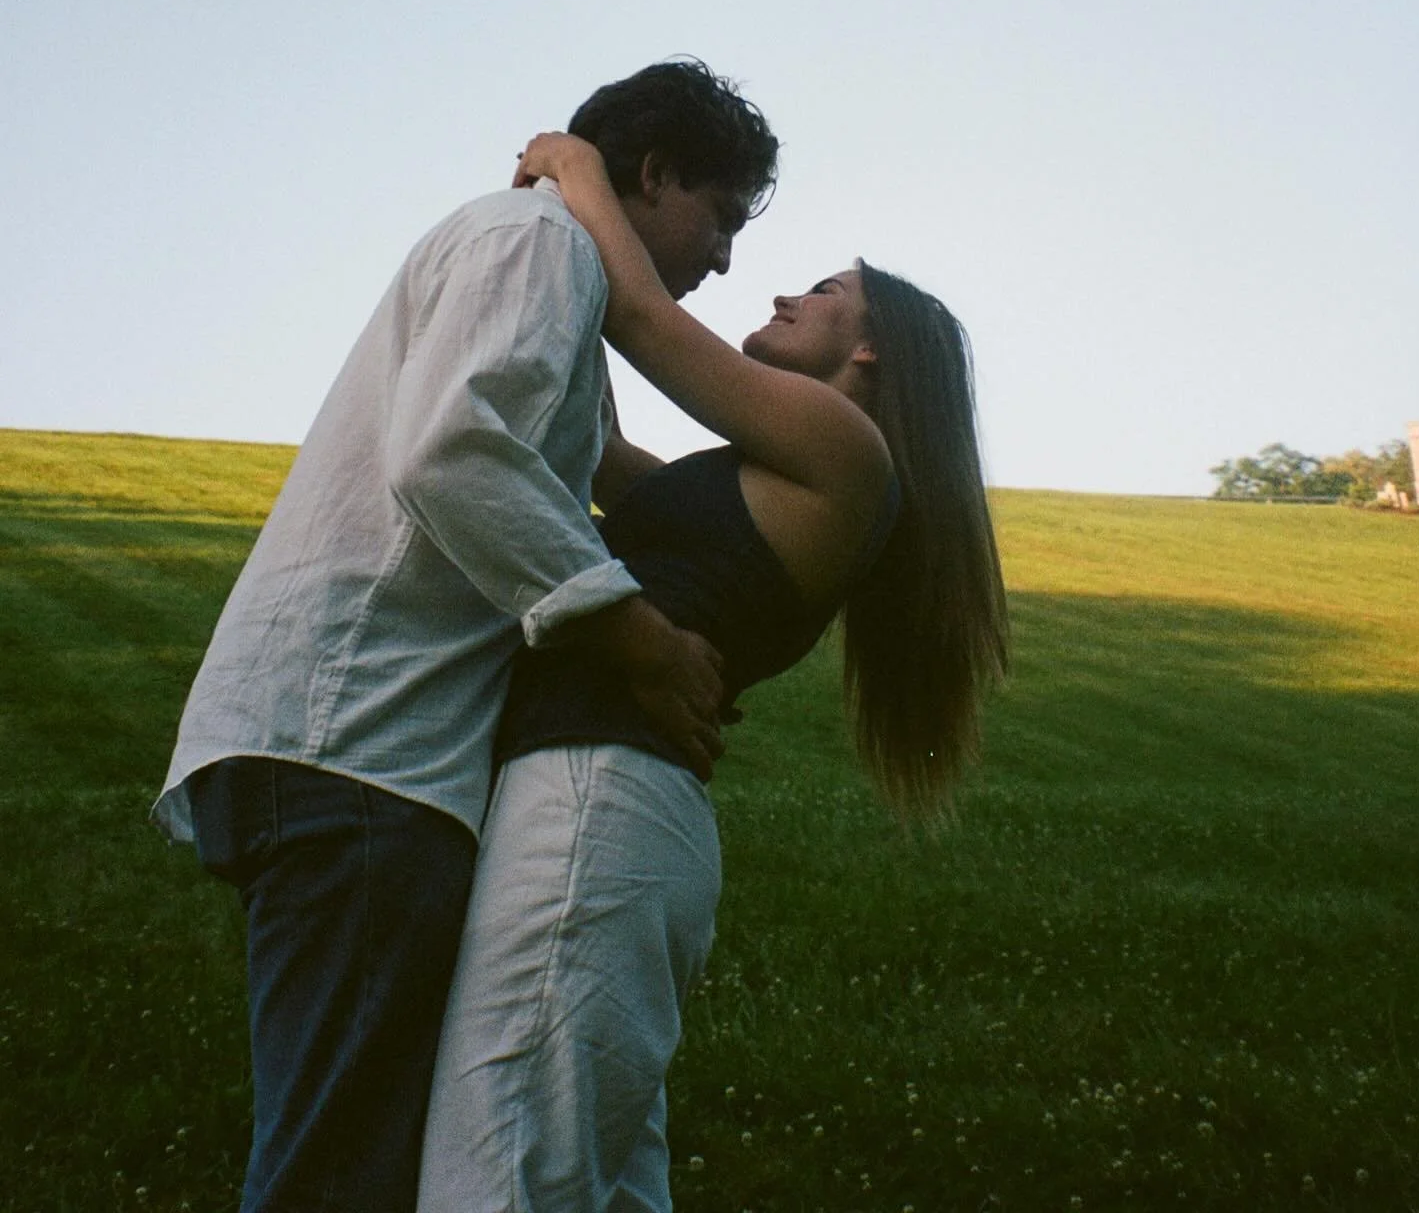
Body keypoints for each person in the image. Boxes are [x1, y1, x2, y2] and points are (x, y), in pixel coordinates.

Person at [152, 62, 780, 1213]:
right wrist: (631, 630)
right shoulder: (536, 248)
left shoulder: (556, 281)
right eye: (722, 216)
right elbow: (452, 447)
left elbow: (607, 472)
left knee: (357, 1152)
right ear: (654, 173)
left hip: (346, 750)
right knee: (336, 1174)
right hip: (361, 753)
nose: (728, 258)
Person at [417, 132, 1009, 1213]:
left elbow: (646, 321)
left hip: (594, 804)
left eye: (827, 291)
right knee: (593, 1181)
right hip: (612, 812)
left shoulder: (843, 447)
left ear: (869, 352)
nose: (786, 290)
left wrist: (578, 166)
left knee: (500, 1169)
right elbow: (596, 449)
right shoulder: (766, 475)